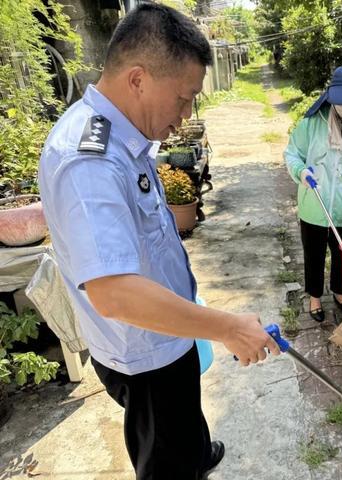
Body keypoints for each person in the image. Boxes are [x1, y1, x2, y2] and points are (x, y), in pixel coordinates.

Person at [38, 4, 280, 479]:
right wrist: (226, 327)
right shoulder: (90, 161)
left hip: (168, 332)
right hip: (145, 353)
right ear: (138, 79)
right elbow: (114, 292)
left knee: (183, 423)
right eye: (183, 98)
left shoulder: (122, 134)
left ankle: (193, 449)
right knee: (165, 458)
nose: (185, 115)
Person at [284, 66, 342, 322]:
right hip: (314, 203)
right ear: (331, 96)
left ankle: (339, 291)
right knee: (313, 254)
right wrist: (301, 172)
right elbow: (292, 153)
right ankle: (314, 297)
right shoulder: (312, 123)